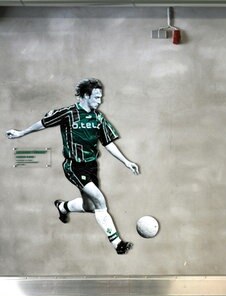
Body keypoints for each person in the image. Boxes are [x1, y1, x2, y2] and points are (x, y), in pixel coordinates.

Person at [6, 78, 139, 255]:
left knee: (89, 207)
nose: (100, 101)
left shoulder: (98, 117)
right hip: (74, 166)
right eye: (97, 97)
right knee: (100, 202)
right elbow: (43, 123)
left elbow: (108, 143)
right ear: (85, 96)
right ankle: (118, 244)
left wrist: (126, 161)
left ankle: (63, 207)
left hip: (92, 167)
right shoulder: (68, 113)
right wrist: (21, 133)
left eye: (101, 97)